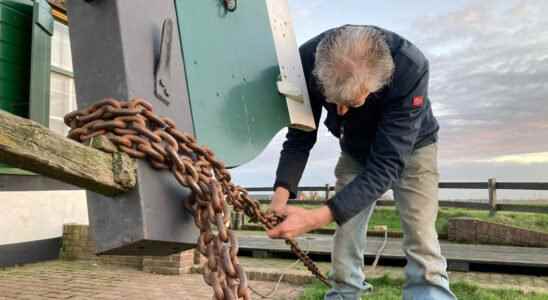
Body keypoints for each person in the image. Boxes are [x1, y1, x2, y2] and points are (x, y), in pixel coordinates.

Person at [266, 25, 457, 300]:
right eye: (334, 103)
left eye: (352, 104)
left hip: (414, 148)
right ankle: (344, 292)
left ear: (379, 83)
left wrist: (315, 218)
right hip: (355, 150)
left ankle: (429, 293)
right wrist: (279, 198)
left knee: (420, 230)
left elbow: (387, 165)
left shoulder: (410, 68)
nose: (341, 112)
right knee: (347, 232)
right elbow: (300, 136)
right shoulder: (305, 61)